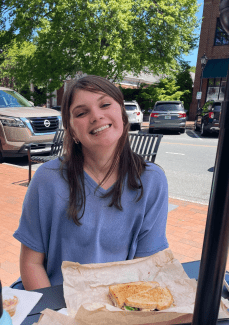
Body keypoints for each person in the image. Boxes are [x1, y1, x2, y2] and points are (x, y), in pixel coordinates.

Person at [13, 75, 169, 291]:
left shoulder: (152, 181)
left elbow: (146, 267)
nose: (96, 116)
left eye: (105, 104)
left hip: (119, 304)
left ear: (123, 116)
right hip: (54, 303)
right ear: (72, 131)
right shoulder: (47, 179)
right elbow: (31, 263)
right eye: (81, 113)